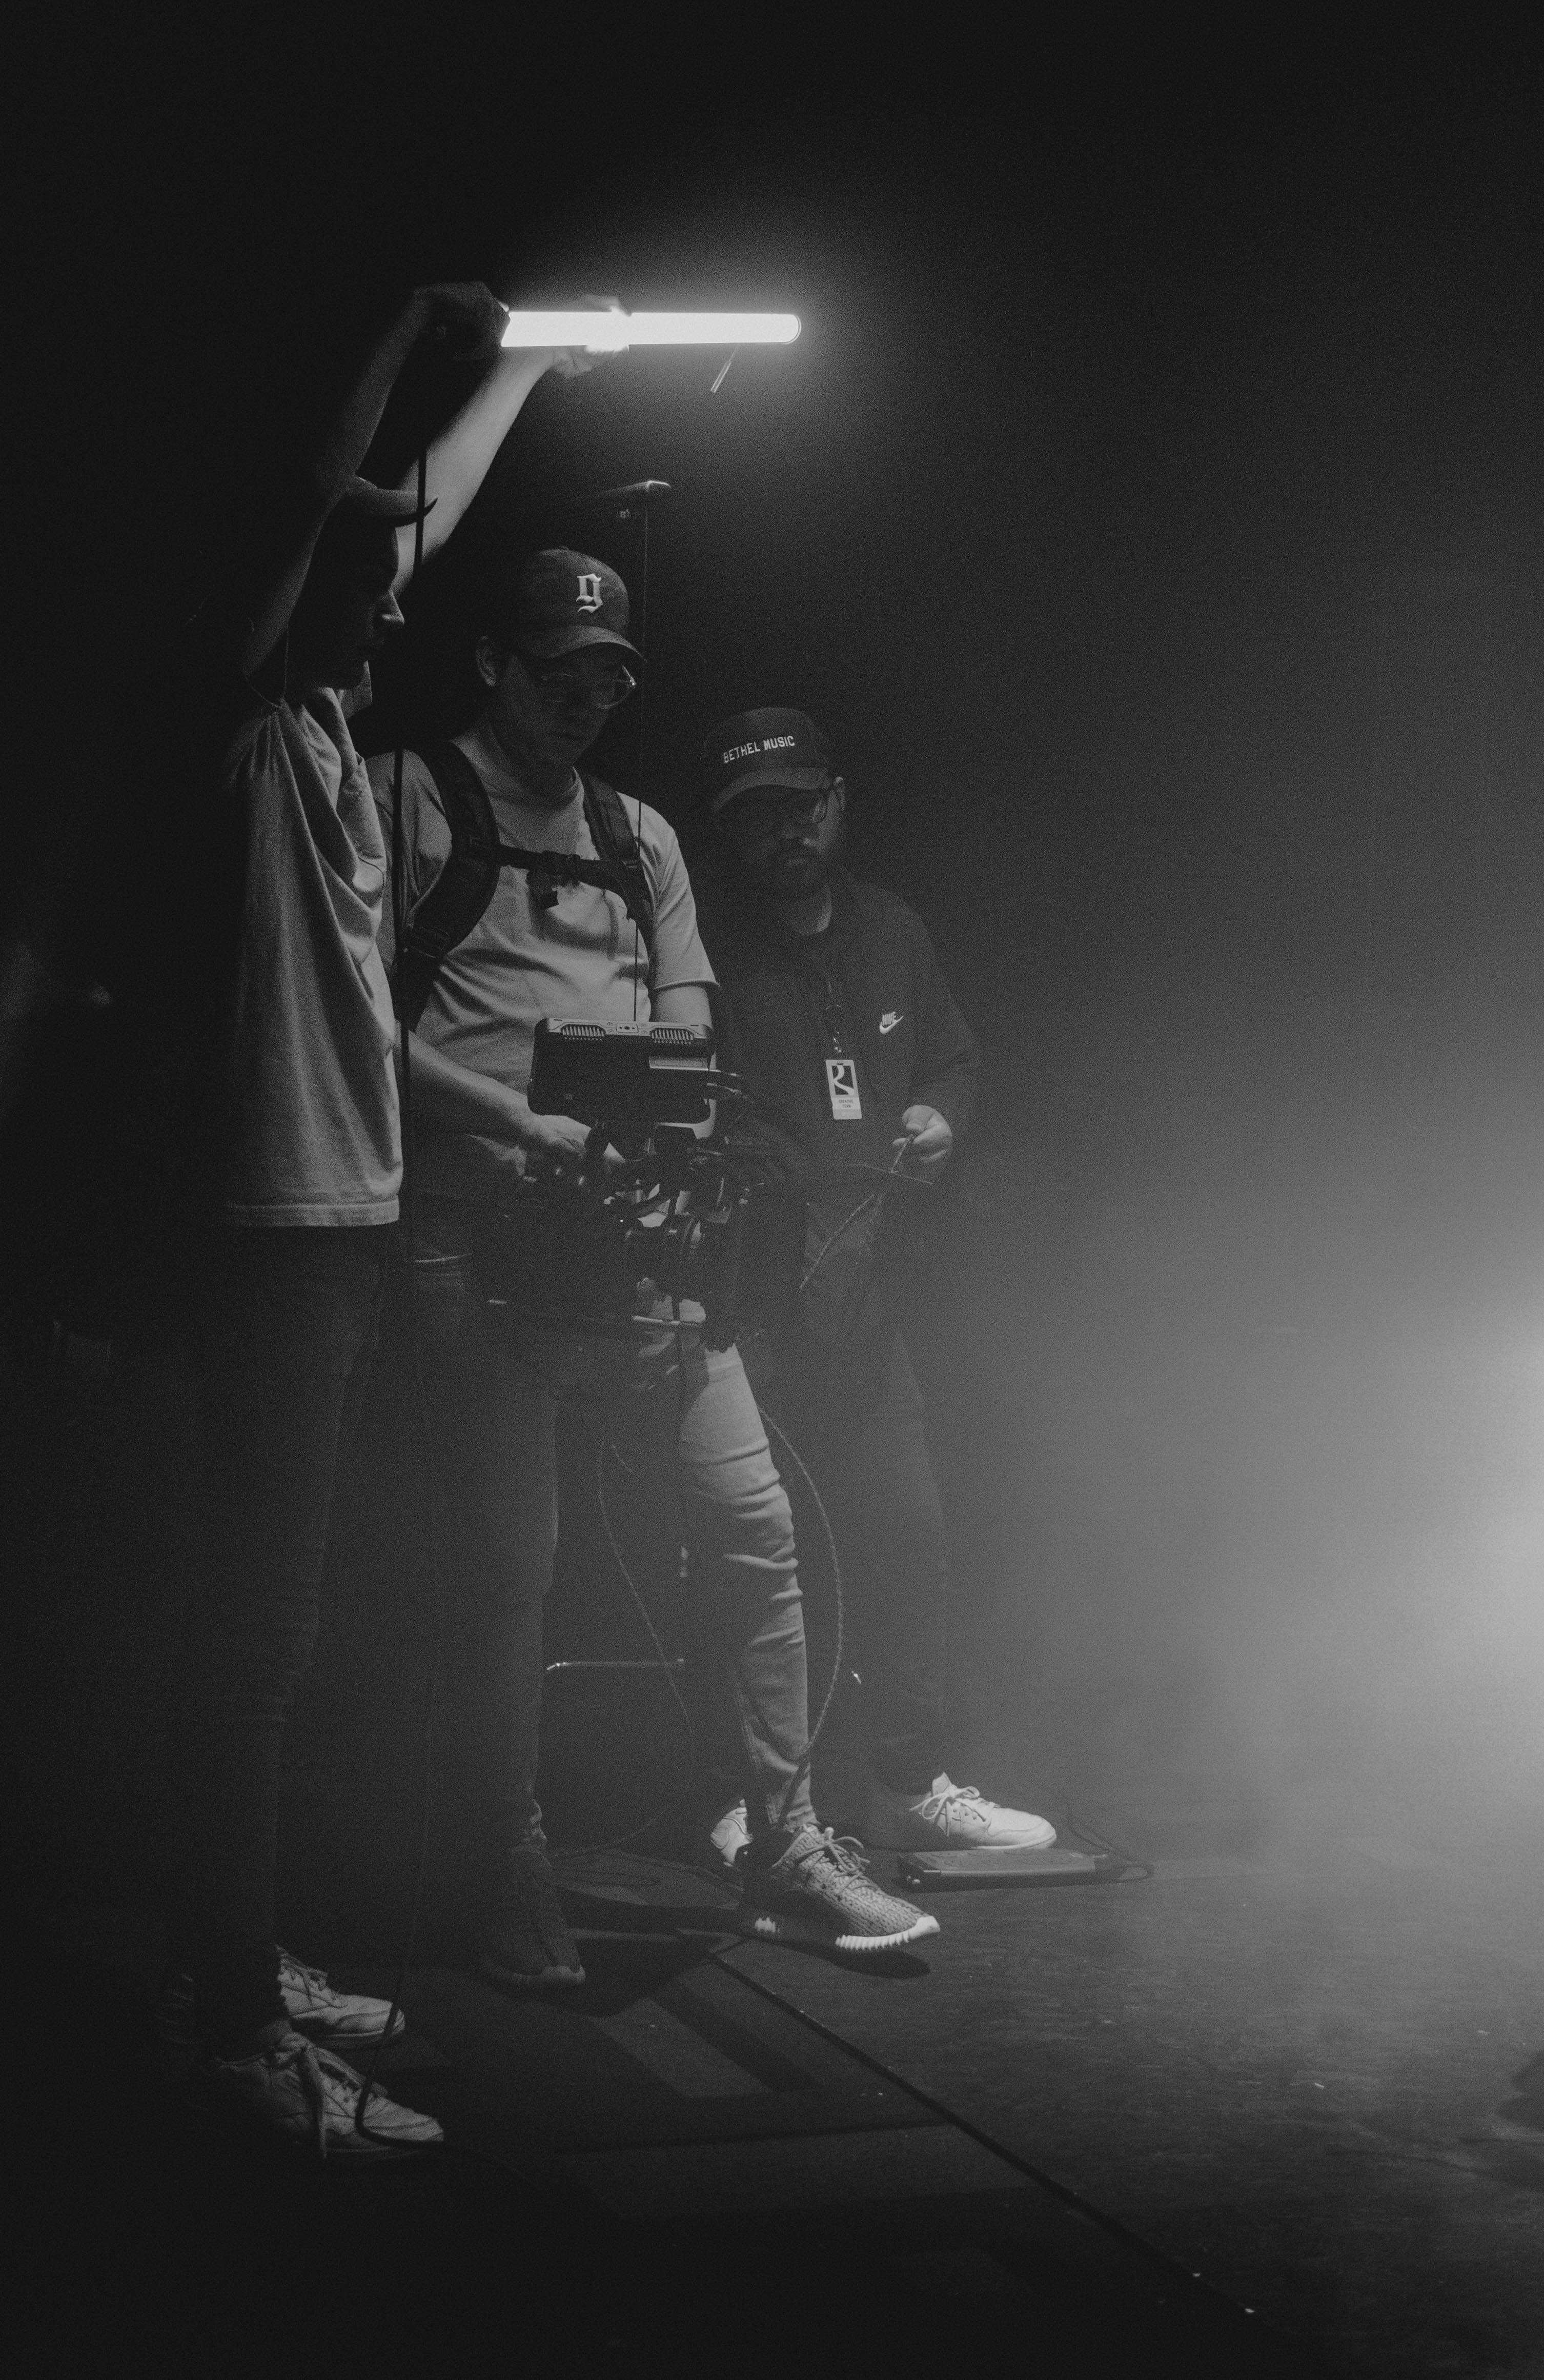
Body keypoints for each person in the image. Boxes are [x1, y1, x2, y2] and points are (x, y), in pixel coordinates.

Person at [151, 280, 590, 2152]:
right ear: (302, 590)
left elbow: (397, 522)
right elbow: (319, 508)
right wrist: (401, 339)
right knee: (251, 1646)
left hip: (337, 1228)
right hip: (267, 1233)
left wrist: (530, 366)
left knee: (285, 1630)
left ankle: (231, 1960)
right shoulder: (245, 721)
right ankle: (236, 2030)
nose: (400, 601)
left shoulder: (328, 733)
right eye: (369, 580)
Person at [370, 557, 939, 1986]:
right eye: (561, 665)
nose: (588, 694)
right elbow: (350, 1017)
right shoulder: (407, 796)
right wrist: (521, 1124)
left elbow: (686, 1022)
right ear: (495, 661)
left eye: (610, 672)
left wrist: (662, 1145)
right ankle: (504, 1863)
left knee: (753, 1525)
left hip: (633, 1237)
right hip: (474, 1237)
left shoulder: (641, 835)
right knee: (509, 1568)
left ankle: (787, 1838)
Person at [692, 705, 1055, 1865]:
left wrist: (942, 1114)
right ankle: (760, 1797)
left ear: (838, 802)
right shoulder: (705, 944)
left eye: (801, 805)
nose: (785, 831)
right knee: (761, 1553)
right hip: (752, 1301)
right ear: (730, 832)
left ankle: (906, 1782)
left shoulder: (893, 928)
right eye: (758, 815)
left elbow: (954, 1055)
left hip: (870, 1300)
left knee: (907, 1536)